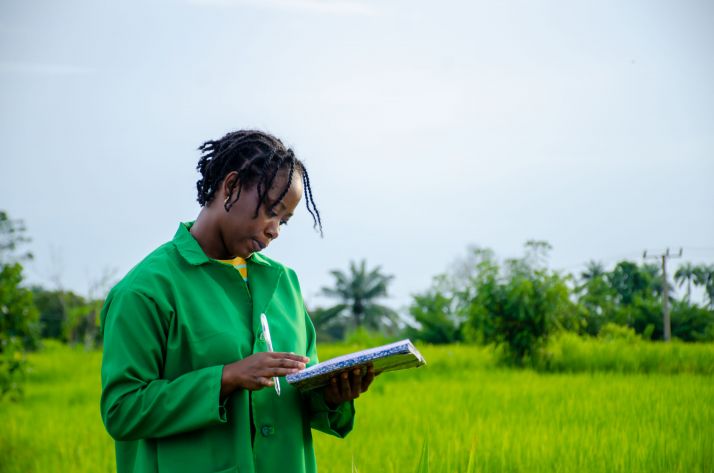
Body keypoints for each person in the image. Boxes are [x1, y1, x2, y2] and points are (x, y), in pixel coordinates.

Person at [100, 130, 375, 473]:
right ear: (230, 187)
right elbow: (121, 411)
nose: (275, 230)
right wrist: (227, 377)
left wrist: (331, 395)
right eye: (271, 212)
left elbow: (295, 390)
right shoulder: (146, 291)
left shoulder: (283, 284)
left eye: (284, 221)